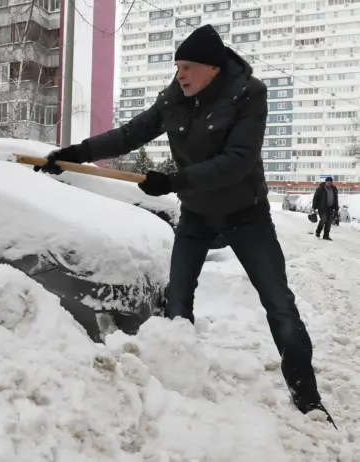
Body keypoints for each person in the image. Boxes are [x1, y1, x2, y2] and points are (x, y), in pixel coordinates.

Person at [36, 25, 335, 426]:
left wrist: (174, 182)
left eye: (188, 66)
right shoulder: (175, 99)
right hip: (196, 213)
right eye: (177, 66)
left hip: (246, 214)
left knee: (279, 303)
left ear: (213, 68)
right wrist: (77, 152)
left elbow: (238, 160)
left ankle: (307, 397)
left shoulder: (249, 94)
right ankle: (179, 382)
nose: (180, 74)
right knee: (178, 300)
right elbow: (130, 134)